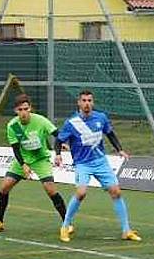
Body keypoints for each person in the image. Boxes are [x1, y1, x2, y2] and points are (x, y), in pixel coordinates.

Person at [56, 90, 140, 243]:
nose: (87, 103)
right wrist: (58, 154)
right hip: (83, 163)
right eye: (84, 100)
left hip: (100, 162)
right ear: (79, 103)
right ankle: (65, 226)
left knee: (116, 192)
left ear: (92, 102)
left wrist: (119, 149)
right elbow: (59, 139)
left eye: (89, 100)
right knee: (81, 193)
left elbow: (110, 134)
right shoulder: (72, 122)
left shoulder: (101, 117)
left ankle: (126, 230)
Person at [0, 94, 67, 234]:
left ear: (30, 108)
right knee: (5, 187)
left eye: (26, 109)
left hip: (40, 159)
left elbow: (57, 134)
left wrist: (61, 147)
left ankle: (67, 223)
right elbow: (16, 149)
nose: (24, 112)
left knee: (50, 189)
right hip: (22, 159)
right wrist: (23, 165)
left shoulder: (40, 121)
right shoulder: (13, 125)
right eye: (20, 110)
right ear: (15, 111)